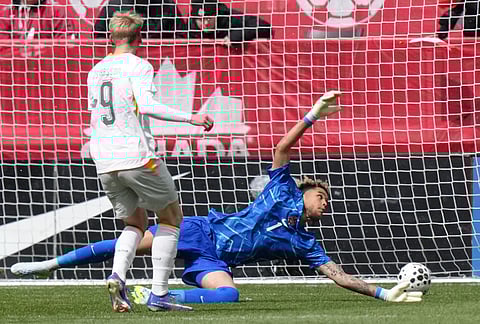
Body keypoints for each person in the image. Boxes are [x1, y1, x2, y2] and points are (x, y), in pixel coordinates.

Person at [12, 91, 422, 305]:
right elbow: (281, 150)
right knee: (134, 241)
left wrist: (385, 292)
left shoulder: (305, 243)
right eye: (321, 195)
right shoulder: (282, 190)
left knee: (228, 294)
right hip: (200, 230)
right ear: (305, 191)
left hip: (216, 260)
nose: (325, 204)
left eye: (327, 202)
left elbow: (337, 275)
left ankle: (156, 295)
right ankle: (49, 264)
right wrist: (313, 115)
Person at [87, 10, 213, 312]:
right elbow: (146, 105)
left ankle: (118, 275)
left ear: (110, 38)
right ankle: (159, 294)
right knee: (171, 219)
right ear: (139, 38)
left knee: (135, 223)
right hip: (136, 156)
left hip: (104, 159)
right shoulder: (139, 65)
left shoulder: (96, 70)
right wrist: (191, 117)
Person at [188, 0, 272, 48]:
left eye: (209, 18)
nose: (205, 23)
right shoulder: (190, 24)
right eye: (200, 19)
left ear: (217, 15)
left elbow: (266, 27)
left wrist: (237, 35)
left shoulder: (230, 17)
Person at [94, 0, 186, 39]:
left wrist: (161, 51)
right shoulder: (116, 4)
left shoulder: (167, 5)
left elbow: (182, 36)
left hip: (160, 66)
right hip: (122, 66)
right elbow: (98, 35)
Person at [0, 0, 74, 40]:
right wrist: (20, 50)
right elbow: (2, 49)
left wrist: (42, 49)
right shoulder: (6, 13)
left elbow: (67, 46)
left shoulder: (56, 11)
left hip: (48, 66)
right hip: (15, 66)